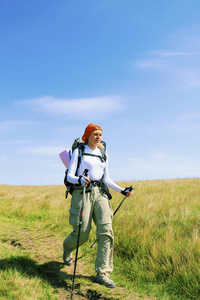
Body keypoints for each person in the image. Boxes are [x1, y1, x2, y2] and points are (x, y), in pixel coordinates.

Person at [63, 123, 132, 288]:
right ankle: (67, 247)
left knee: (106, 230)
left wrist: (121, 190)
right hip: (83, 192)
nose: (98, 137)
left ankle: (103, 272)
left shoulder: (103, 154)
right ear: (87, 135)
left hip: (100, 193)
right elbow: (70, 176)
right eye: (95, 134)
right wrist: (79, 179)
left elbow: (106, 178)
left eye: (100, 134)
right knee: (82, 233)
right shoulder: (79, 152)